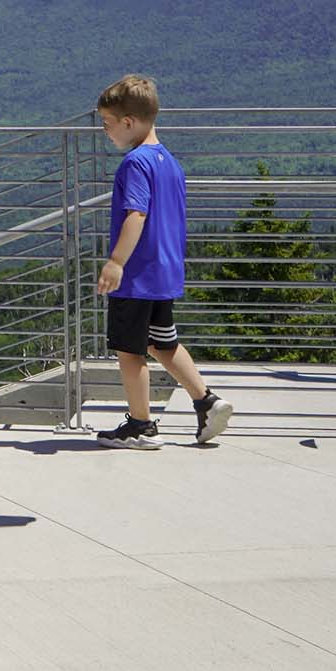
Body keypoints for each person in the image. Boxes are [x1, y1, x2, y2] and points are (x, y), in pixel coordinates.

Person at [93, 75, 234, 448]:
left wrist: (116, 262)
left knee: (130, 349)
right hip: (164, 272)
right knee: (162, 343)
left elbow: (136, 215)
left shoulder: (134, 164)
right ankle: (207, 401)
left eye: (107, 125)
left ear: (128, 122)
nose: (105, 133)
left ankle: (140, 425)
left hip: (137, 276)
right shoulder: (169, 163)